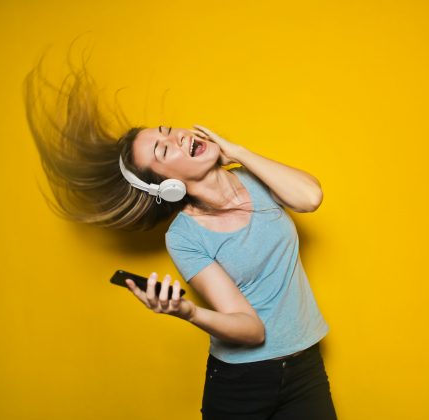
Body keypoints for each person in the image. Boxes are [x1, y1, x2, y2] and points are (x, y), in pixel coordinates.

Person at [24, 55, 338, 420]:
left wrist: (236, 152)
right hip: (242, 383)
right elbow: (251, 330)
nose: (177, 138)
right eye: (163, 149)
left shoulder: (257, 179)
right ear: (168, 186)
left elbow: (310, 198)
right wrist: (187, 311)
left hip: (306, 365)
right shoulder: (185, 236)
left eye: (168, 131)